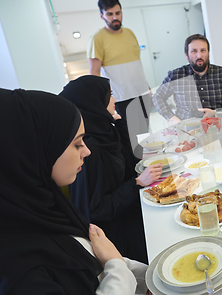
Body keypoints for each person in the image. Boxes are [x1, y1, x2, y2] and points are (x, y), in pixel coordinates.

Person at [0, 88, 147, 294]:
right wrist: (117, 266)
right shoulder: (20, 273)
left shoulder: (48, 209)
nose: (86, 151)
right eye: (77, 143)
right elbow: (110, 262)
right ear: (34, 152)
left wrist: (151, 276)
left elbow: (95, 261)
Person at [60, 75, 162, 264]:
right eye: (110, 96)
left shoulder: (105, 129)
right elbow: (97, 209)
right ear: (94, 103)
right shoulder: (89, 149)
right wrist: (137, 182)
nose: (115, 100)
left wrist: (120, 123)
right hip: (115, 234)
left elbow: (132, 161)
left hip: (127, 210)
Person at [88, 0, 152, 153]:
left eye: (117, 13)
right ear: (102, 15)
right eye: (110, 14)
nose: (115, 17)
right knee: (130, 140)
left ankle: (152, 168)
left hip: (141, 92)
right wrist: (103, 101)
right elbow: (94, 73)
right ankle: (137, 174)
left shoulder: (130, 33)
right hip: (121, 97)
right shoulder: (97, 39)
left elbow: (136, 64)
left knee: (145, 137)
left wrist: (147, 87)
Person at [153, 34, 222, 125]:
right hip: (186, 129)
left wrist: (216, 113)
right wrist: (171, 118)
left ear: (208, 53)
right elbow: (157, 97)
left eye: (203, 50)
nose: (199, 55)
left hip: (218, 127)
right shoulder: (176, 75)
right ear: (186, 55)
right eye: (194, 51)